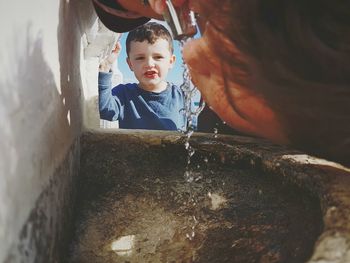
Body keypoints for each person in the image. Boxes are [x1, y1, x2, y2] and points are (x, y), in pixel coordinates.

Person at [93, 0, 350, 167]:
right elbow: (108, 109)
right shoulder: (128, 93)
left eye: (158, 57)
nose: (193, 57)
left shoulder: (182, 94)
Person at [98, 21, 185, 131]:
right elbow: (103, 109)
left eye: (158, 57)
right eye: (140, 58)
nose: (149, 64)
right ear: (130, 64)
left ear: (171, 61)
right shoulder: (124, 94)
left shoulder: (182, 96)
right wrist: (105, 66)